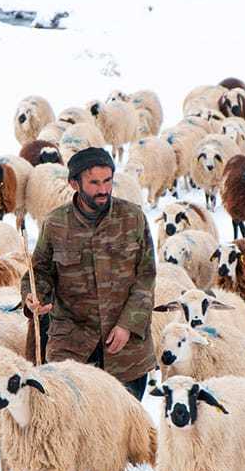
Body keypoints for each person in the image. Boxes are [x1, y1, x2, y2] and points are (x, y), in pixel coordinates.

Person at [22, 147, 156, 400]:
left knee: (124, 431)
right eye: (94, 182)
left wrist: (128, 325)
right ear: (74, 183)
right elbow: (39, 271)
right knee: (73, 426)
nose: (103, 189)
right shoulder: (55, 224)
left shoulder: (133, 218)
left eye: (107, 181)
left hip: (125, 352)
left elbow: (146, 276)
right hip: (72, 348)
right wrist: (33, 296)